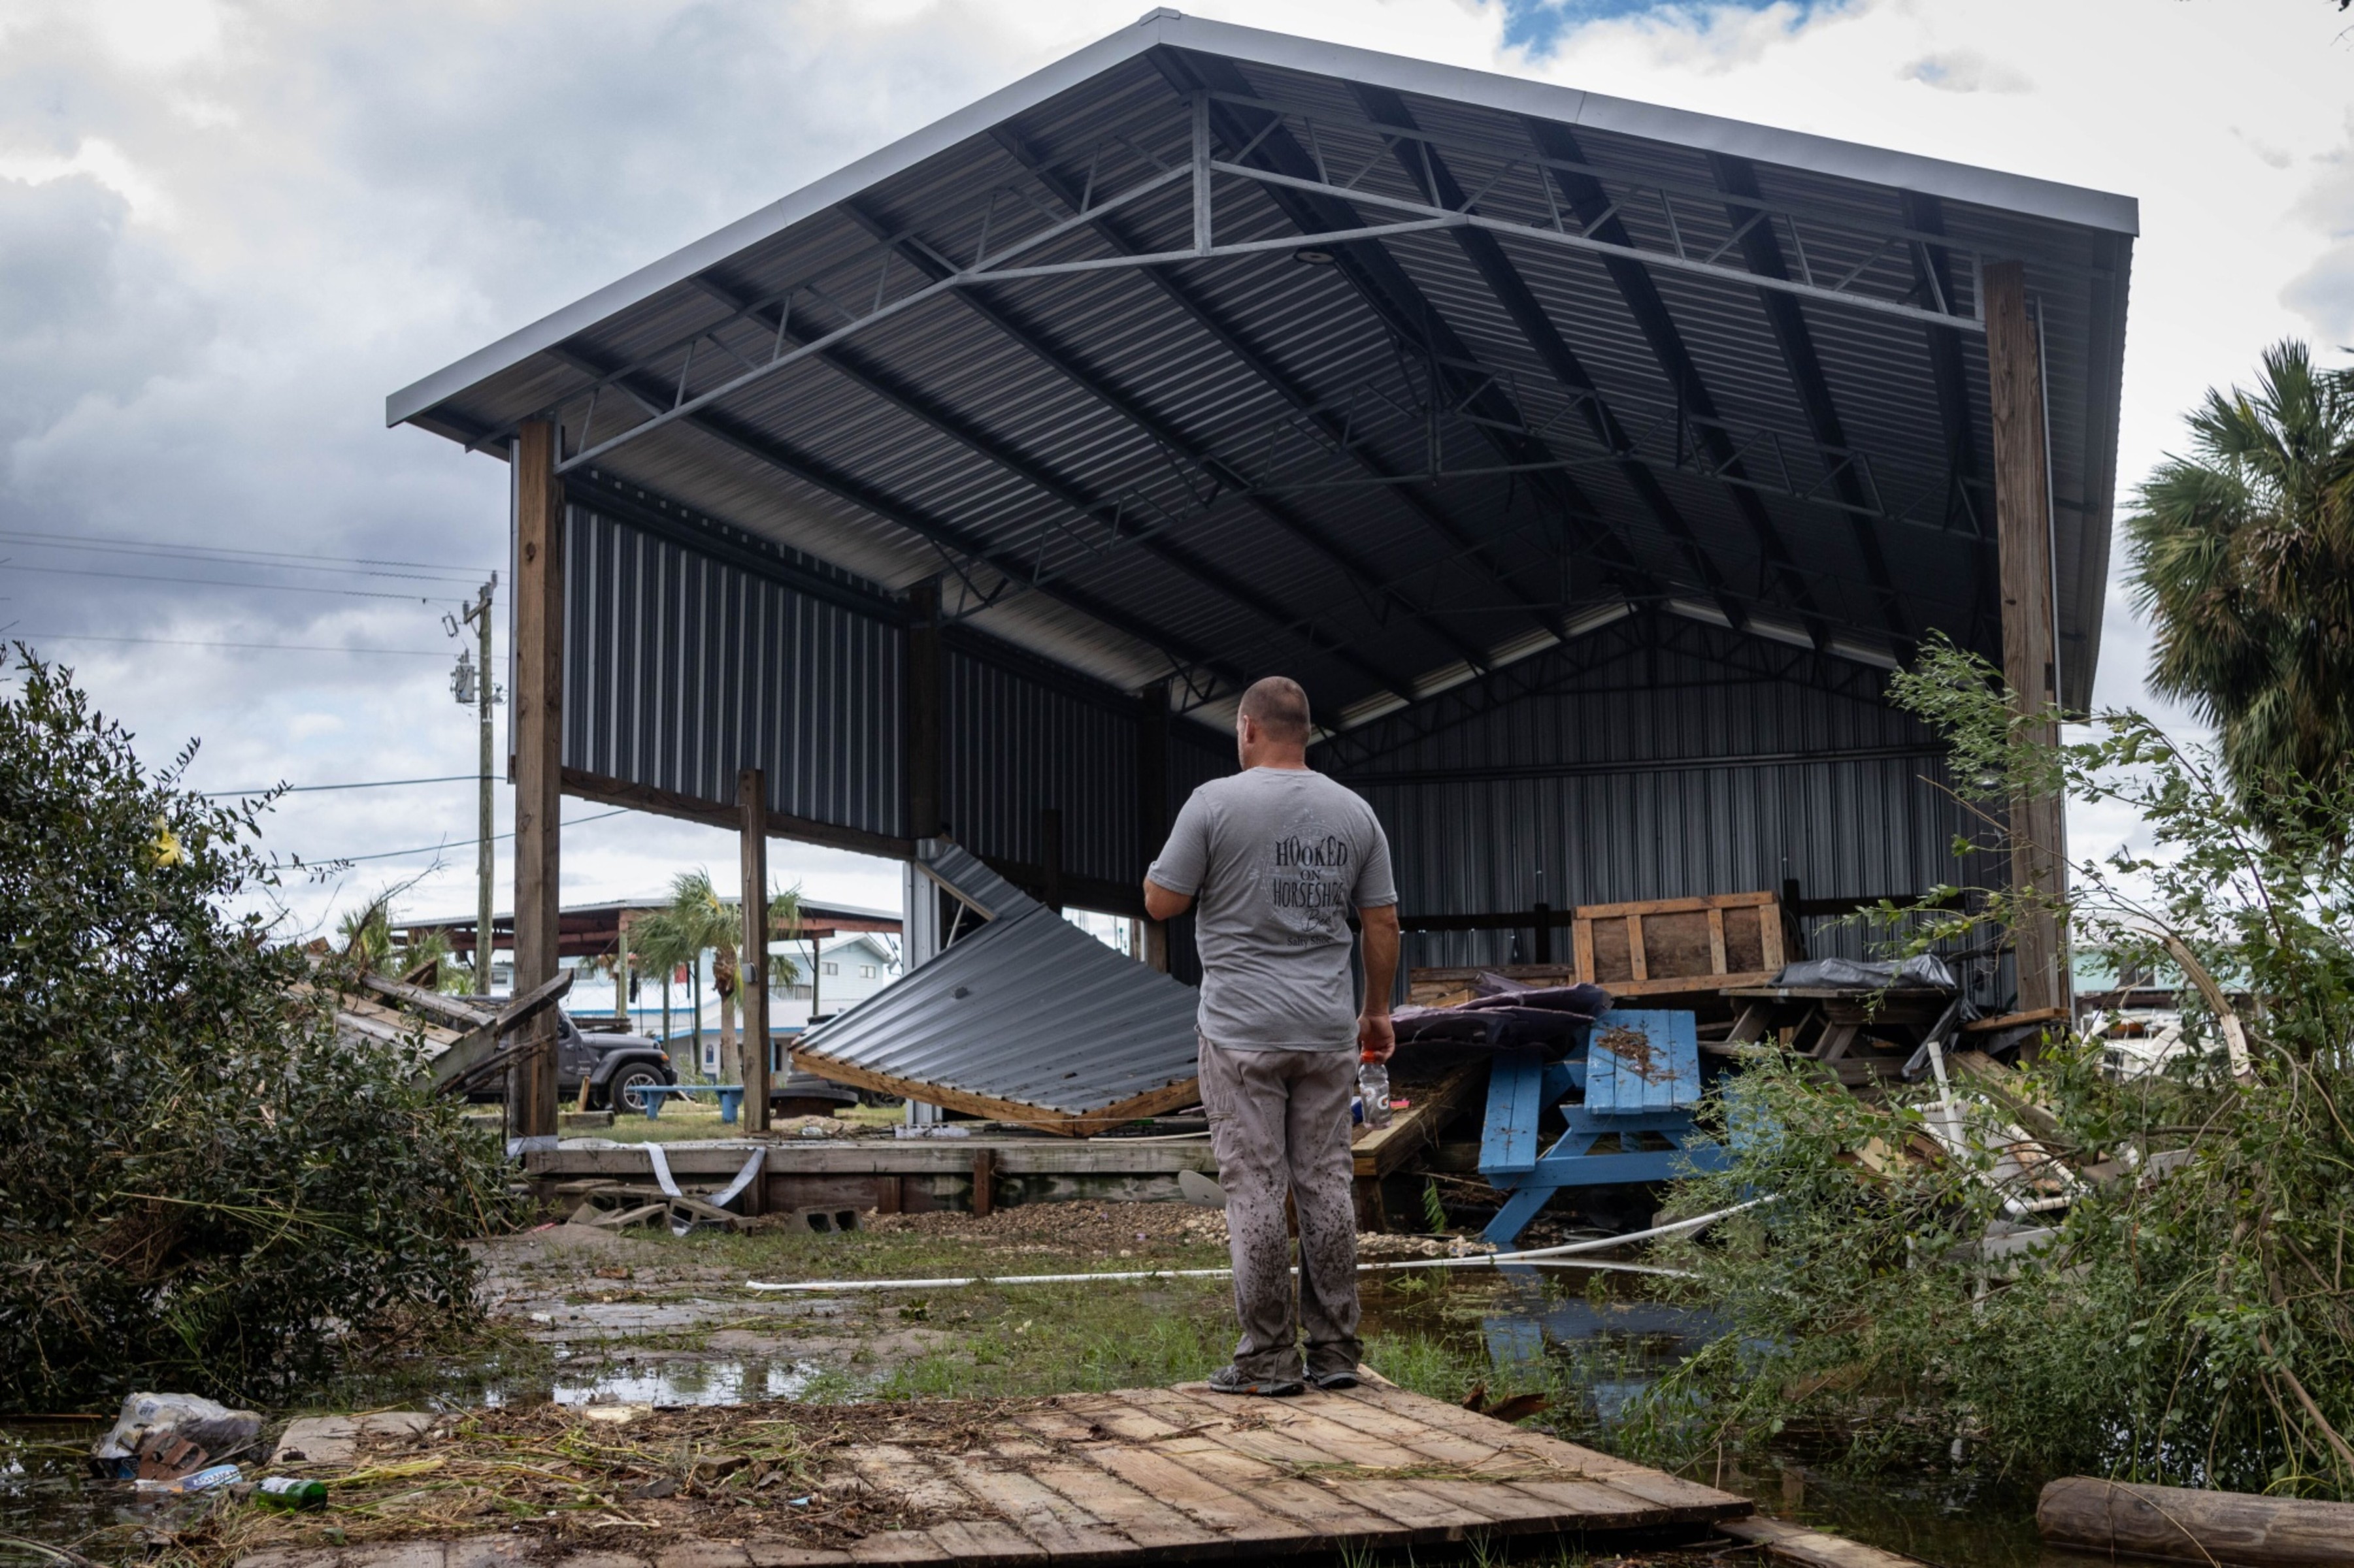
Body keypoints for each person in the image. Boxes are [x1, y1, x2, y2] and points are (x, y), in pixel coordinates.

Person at [1144, 675, 1400, 1396]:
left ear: (1247, 730)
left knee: (1253, 1185)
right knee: (1325, 1183)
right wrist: (1375, 1012)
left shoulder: (1213, 804)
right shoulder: (1354, 812)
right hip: (1324, 1029)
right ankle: (1336, 1353)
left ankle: (1267, 1359)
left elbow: (1162, 902)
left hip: (1239, 1030)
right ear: (1305, 731)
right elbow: (1381, 922)